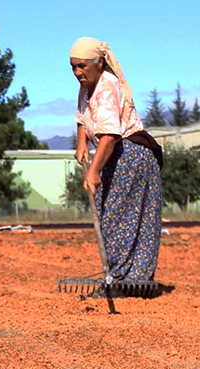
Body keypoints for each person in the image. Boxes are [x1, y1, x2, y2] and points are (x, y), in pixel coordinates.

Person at [70, 37, 163, 281]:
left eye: (82, 66)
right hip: (115, 154)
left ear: (99, 63)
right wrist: (81, 143)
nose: (78, 72)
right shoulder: (86, 86)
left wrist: (94, 170)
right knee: (113, 213)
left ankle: (127, 278)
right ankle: (125, 276)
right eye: (73, 67)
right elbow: (82, 116)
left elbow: (110, 136)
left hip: (130, 154)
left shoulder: (106, 87)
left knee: (119, 216)